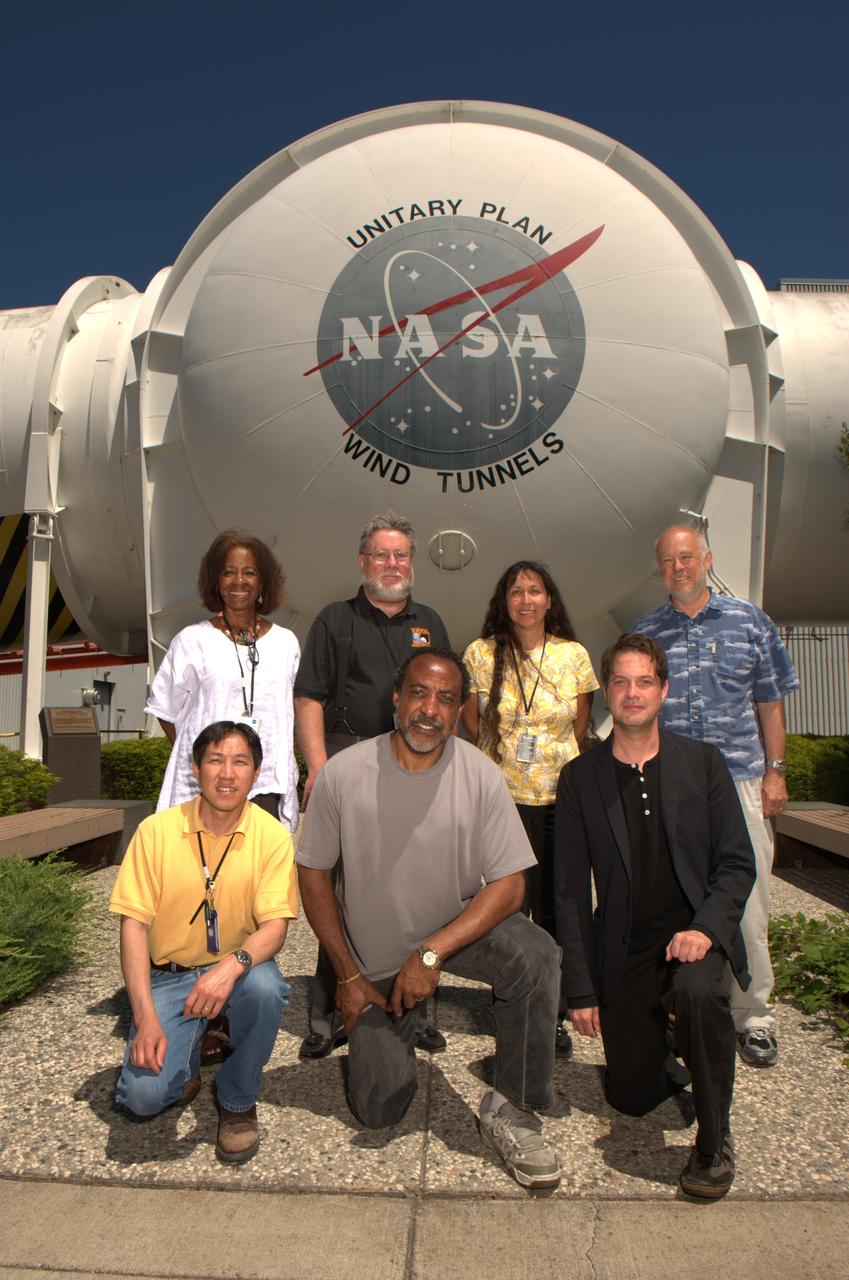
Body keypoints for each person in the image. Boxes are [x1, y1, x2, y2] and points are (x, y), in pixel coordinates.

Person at [297, 648, 563, 1189]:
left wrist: (432, 952)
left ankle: (514, 1107)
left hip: (450, 932)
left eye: (445, 699)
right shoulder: (343, 774)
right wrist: (347, 976)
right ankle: (407, 1015)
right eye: (418, 692)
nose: (429, 709)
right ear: (395, 697)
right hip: (374, 959)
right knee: (378, 1110)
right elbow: (313, 876)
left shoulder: (480, 774)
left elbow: (511, 885)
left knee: (537, 956)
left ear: (458, 709)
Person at [555, 633, 755, 1199]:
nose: (632, 693)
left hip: (694, 933)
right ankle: (670, 1049)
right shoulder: (580, 778)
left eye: (645, 681)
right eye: (620, 681)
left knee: (697, 994)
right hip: (625, 946)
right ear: (606, 692)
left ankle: (714, 1140)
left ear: (663, 690)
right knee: (631, 1099)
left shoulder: (703, 764)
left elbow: (737, 865)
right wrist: (581, 989)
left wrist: (706, 929)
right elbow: (570, 892)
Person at [634, 525, 799, 1067]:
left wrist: (776, 772)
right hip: (672, 787)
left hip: (741, 781)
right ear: (659, 569)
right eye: (668, 560)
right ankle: (686, 1009)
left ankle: (754, 1016)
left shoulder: (749, 620)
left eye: (687, 557)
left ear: (707, 559)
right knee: (677, 899)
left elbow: (770, 700)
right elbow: (636, 713)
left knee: (749, 904)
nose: (678, 567)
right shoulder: (647, 633)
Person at [293, 511, 450, 1060]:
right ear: (363, 563)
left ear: (412, 562)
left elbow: (445, 700)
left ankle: (416, 1010)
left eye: (401, 555)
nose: (392, 564)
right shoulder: (334, 620)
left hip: (415, 769)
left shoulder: (429, 621)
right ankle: (325, 1012)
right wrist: (319, 768)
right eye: (381, 555)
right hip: (347, 762)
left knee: (415, 893)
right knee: (334, 890)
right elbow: (309, 696)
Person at [109, 721, 297, 1165]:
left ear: (256, 772)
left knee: (267, 989)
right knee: (142, 1098)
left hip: (235, 973)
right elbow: (133, 927)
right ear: (195, 768)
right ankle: (189, 1059)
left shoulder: (271, 836)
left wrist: (231, 967)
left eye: (239, 762)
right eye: (215, 760)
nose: (226, 774)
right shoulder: (155, 832)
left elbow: (275, 927)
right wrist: (146, 1018)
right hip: (168, 977)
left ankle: (236, 1100)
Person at [463, 561, 599, 1059]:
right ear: (504, 601)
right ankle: (511, 1002)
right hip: (504, 802)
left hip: (564, 801)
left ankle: (556, 1010)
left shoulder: (573, 655)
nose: (525, 599)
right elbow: (473, 719)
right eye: (516, 591)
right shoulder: (481, 653)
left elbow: (579, 727)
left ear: (549, 600)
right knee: (509, 907)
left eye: (534, 591)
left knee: (560, 905)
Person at [147, 531, 300, 831]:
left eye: (249, 572)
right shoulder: (192, 640)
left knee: (256, 872)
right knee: (205, 872)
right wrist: (205, 761)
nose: (238, 581)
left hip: (264, 784)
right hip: (209, 790)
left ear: (262, 582)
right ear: (215, 582)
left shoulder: (286, 643)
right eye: (228, 572)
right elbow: (165, 710)